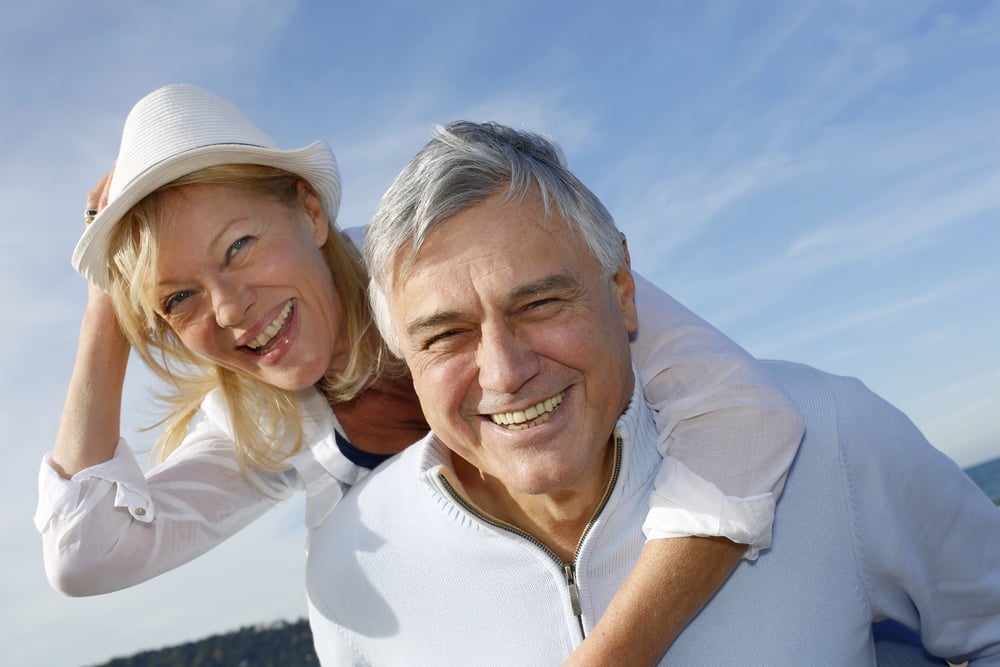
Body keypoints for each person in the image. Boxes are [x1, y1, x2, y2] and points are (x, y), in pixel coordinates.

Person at [35, 84, 806, 664]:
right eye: (178, 297)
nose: (230, 308)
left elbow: (742, 415)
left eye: (239, 246)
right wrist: (107, 304)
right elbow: (83, 552)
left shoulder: (452, 261)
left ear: (308, 210)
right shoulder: (262, 427)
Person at [306, 120, 1000, 665]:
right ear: (405, 356)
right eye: (445, 335)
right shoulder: (351, 569)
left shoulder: (832, 434)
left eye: (542, 303)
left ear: (623, 290)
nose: (505, 370)